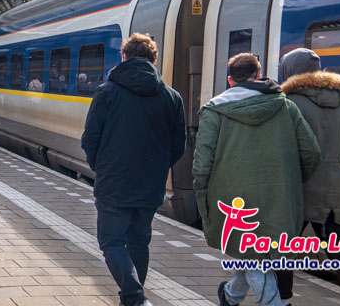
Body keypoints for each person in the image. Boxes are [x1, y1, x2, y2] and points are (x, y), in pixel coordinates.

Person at [192, 53, 320, 306]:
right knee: (254, 254)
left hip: (231, 200)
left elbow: (202, 162)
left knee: (251, 253)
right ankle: (231, 296)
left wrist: (202, 191)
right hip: (279, 195)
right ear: (259, 75)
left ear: (230, 80)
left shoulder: (214, 110)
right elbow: (311, 152)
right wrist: (291, 179)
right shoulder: (286, 107)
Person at [80, 34, 186, 306]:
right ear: (154, 60)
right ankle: (131, 301)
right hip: (150, 184)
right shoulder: (172, 97)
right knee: (139, 243)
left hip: (114, 182)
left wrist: (101, 167)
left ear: (124, 57)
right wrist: (158, 168)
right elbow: (179, 145)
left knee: (111, 241)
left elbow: (90, 139)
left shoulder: (107, 92)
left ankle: (135, 298)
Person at [276, 48, 340, 306]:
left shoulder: (289, 103)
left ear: (288, 71)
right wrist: (336, 175)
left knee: (283, 247)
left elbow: (284, 149)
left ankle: (283, 301)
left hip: (298, 191)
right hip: (334, 190)